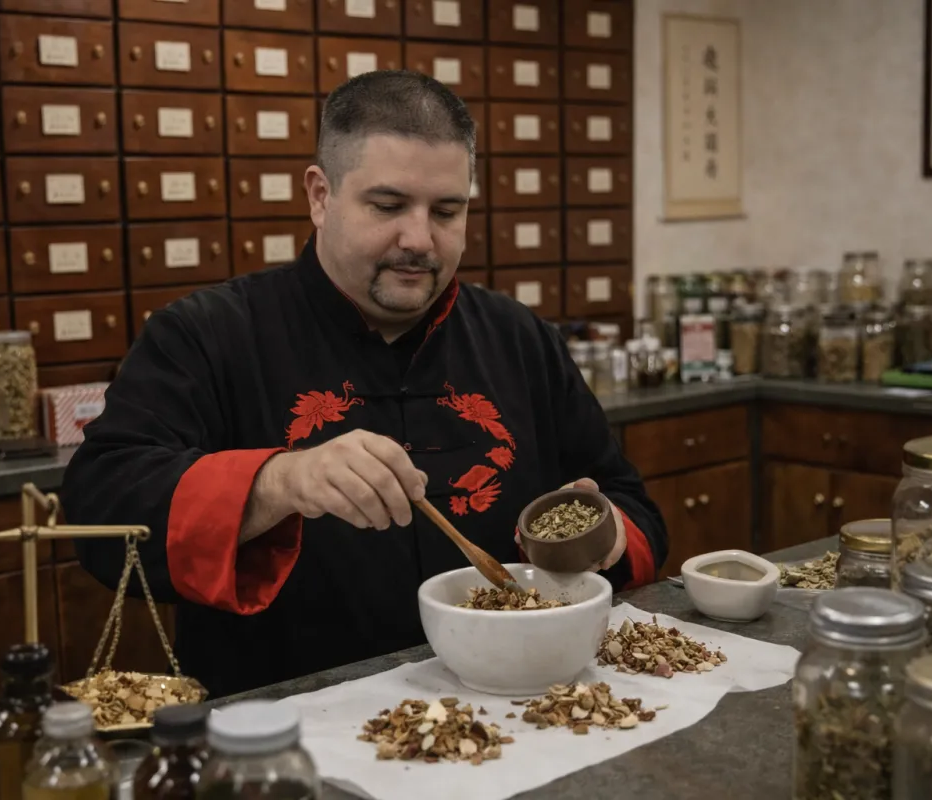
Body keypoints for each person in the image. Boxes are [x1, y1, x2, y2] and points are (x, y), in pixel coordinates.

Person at [62, 70, 667, 699]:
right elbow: (103, 508)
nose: (419, 240)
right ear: (320, 196)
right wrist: (277, 482)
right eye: (388, 206)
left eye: (447, 211)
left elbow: (631, 506)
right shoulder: (206, 335)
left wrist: (607, 534)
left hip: (512, 711)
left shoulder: (520, 338)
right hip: (289, 725)